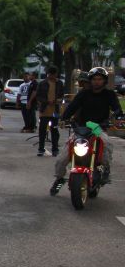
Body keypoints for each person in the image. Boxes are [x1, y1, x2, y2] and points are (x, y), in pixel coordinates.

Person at [49, 67, 122, 195]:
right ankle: (59, 179)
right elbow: (72, 107)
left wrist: (117, 115)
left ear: (104, 81)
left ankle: (105, 170)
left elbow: (117, 109)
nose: (97, 82)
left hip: (99, 129)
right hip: (80, 129)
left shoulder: (109, 94)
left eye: (100, 79)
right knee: (62, 158)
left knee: (107, 144)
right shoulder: (83, 94)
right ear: (90, 80)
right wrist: (63, 118)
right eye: (94, 79)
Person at [29, 65, 64, 156]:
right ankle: (41, 149)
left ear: (56, 74)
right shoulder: (43, 83)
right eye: (50, 74)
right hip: (44, 110)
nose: (52, 76)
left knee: (54, 130)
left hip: (55, 111)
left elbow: (61, 95)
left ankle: (55, 149)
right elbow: (38, 96)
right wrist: (46, 102)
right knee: (42, 130)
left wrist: (57, 101)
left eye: (53, 75)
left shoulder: (59, 83)